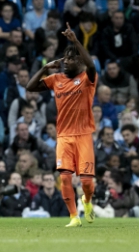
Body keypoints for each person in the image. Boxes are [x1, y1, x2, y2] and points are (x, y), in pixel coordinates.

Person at [26, 22, 97, 227]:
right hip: (64, 136)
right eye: (66, 57)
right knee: (65, 178)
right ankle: (74, 217)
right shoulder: (56, 78)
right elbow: (31, 87)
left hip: (83, 134)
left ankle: (87, 201)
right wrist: (45, 67)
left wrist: (75, 41)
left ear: (80, 61)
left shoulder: (87, 78)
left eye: (73, 57)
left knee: (86, 182)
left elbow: (91, 65)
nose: (68, 60)